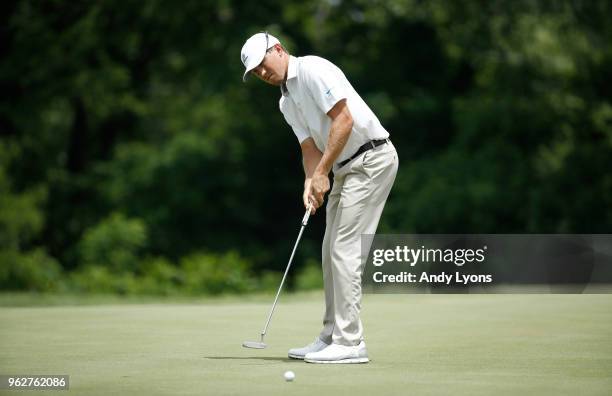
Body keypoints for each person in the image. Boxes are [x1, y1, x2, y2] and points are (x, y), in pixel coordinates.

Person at [240, 32, 398, 364]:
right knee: (330, 250)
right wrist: (310, 181)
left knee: (344, 247)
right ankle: (331, 337)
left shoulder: (312, 69)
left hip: (371, 158)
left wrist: (323, 172)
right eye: (255, 73)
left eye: (262, 65)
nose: (262, 74)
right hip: (344, 167)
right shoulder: (285, 102)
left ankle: (351, 342)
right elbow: (309, 147)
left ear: (278, 50)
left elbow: (343, 120)